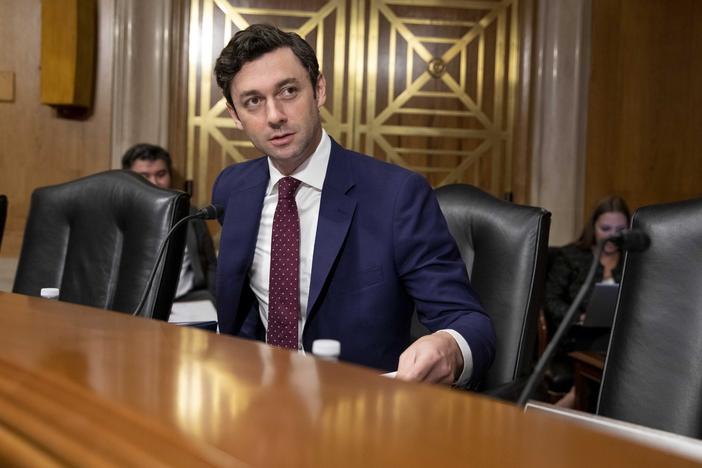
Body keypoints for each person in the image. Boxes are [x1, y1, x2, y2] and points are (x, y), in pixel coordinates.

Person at [210, 24, 495, 386]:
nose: (274, 116)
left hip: (358, 411)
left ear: (319, 89)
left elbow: (470, 322)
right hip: (254, 400)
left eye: (288, 91)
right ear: (235, 115)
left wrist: (449, 345)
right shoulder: (232, 188)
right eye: (253, 101)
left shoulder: (396, 196)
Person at [544, 195, 630, 406]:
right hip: (576, 335)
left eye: (620, 230)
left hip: (621, 334)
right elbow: (551, 300)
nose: (612, 236)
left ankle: (579, 397)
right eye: (606, 229)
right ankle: (577, 395)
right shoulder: (571, 256)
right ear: (594, 227)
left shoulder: (633, 260)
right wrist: (578, 316)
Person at [121, 143, 217, 306]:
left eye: (161, 174)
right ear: (128, 178)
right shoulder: (118, 217)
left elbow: (211, 266)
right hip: (135, 305)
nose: (154, 182)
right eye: (144, 175)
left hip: (188, 301)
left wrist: (217, 303)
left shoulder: (191, 215)